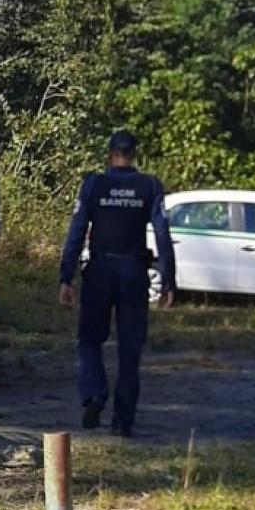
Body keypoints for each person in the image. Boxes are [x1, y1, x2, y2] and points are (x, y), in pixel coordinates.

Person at [58, 131, 175, 438]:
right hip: (134, 273)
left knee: (89, 339)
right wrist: (168, 280)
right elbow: (162, 233)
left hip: (99, 270)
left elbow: (77, 230)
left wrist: (66, 276)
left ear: (109, 155)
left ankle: (94, 392)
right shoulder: (149, 186)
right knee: (130, 348)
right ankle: (123, 421)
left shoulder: (94, 184)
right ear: (134, 155)